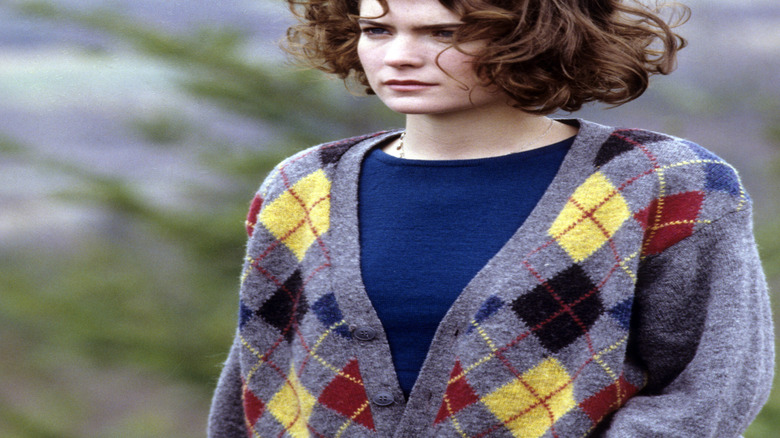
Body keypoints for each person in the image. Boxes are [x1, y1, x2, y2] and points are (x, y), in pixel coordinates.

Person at [208, 0, 774, 436]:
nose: (399, 55)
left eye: (444, 33)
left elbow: (710, 389)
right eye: (377, 30)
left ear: (532, 35)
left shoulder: (657, 183)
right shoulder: (303, 186)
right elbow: (259, 379)